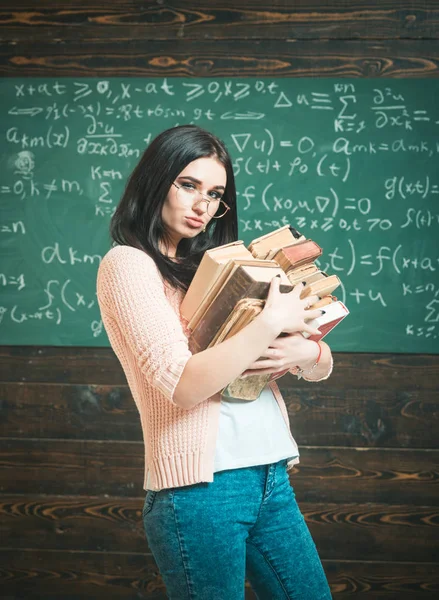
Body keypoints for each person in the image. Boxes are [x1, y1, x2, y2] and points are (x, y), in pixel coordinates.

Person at [96, 124, 333, 600]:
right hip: (201, 491)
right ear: (155, 180)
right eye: (188, 185)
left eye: (215, 193)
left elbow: (318, 360)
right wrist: (269, 323)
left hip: (270, 475)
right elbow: (181, 384)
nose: (202, 205)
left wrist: (309, 351)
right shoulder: (128, 264)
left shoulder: (217, 269)